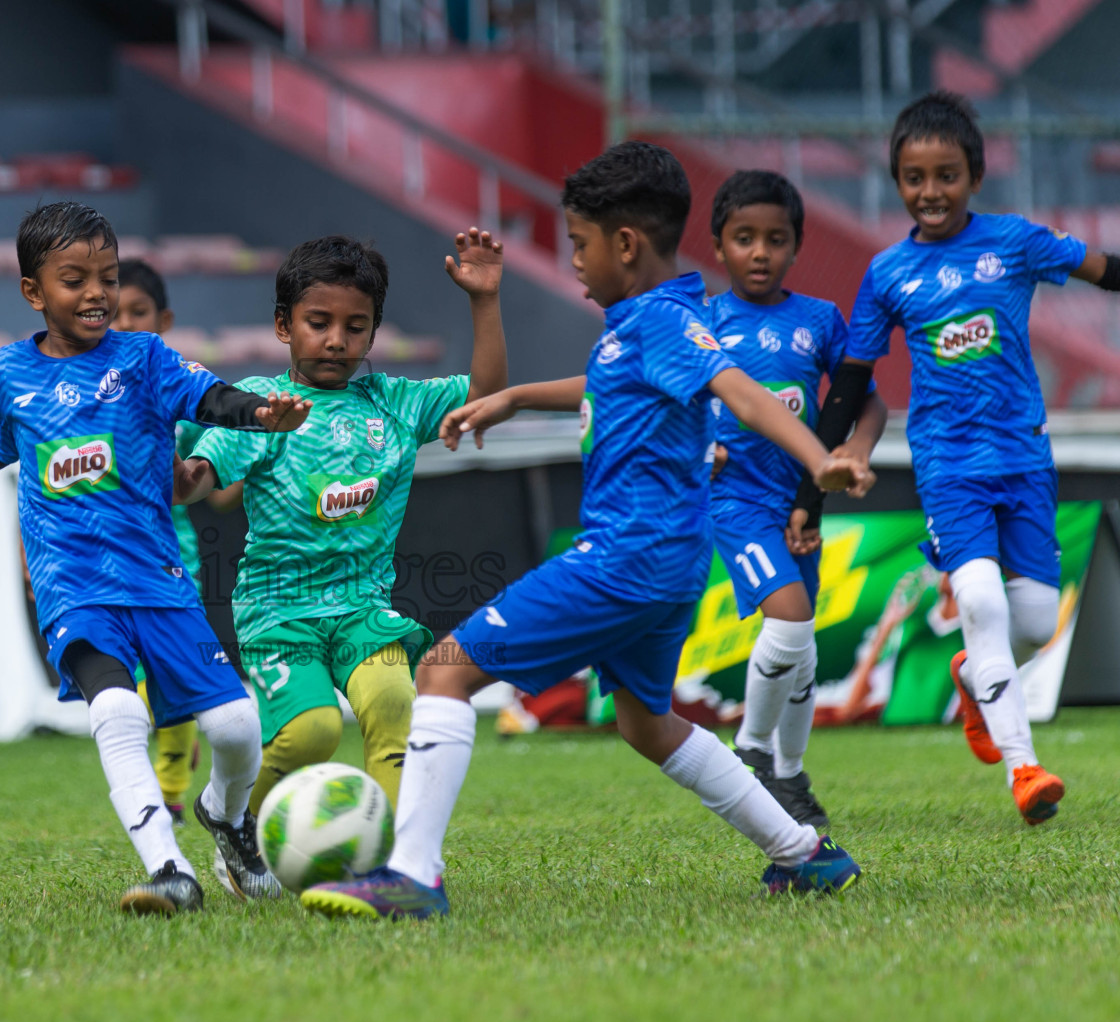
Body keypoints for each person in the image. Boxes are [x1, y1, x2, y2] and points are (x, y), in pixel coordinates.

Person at [300, 142, 868, 921]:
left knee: (442, 673)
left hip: (624, 559)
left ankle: (412, 874)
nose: (573, 260)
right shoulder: (647, 318)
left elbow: (741, 392)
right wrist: (513, 397)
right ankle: (805, 854)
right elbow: (608, 382)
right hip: (665, 564)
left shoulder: (666, 322)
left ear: (624, 245)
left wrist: (820, 458)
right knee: (645, 722)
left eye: (578, 243)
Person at [0, 201, 312, 915]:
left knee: (237, 727)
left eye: (107, 277)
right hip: (74, 587)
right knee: (118, 710)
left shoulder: (145, 358)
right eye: (74, 278)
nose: (96, 292)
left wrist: (259, 412)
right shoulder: (7, 372)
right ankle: (171, 871)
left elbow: (210, 396)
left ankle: (226, 818)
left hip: (158, 580)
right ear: (34, 292)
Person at [806, 91, 1120, 826]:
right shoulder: (887, 275)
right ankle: (1025, 771)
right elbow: (852, 380)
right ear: (897, 183)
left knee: (1037, 621)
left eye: (946, 175)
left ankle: (975, 677)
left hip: (1025, 462)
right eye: (914, 178)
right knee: (979, 601)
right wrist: (813, 477)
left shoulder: (1015, 241)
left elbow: (1105, 270)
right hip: (948, 468)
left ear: (974, 176)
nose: (930, 192)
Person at [175, 230, 506, 846]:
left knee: (392, 706)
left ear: (374, 334)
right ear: (283, 326)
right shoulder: (259, 410)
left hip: (363, 610)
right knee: (312, 733)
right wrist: (157, 460)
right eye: (318, 322)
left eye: (356, 327)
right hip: (278, 613)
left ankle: (395, 863)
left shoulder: (397, 405)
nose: (336, 340)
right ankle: (231, 814)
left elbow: (485, 394)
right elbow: (193, 483)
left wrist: (483, 300)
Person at [704, 169, 888, 828]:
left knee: (802, 648)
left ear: (795, 247)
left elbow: (865, 403)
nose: (760, 252)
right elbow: (667, 411)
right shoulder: (702, 324)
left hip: (801, 506)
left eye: (775, 239)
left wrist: (853, 454)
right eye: (744, 238)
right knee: (788, 620)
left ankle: (789, 772)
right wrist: (703, 450)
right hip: (736, 505)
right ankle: (752, 751)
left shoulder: (819, 321)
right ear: (718, 246)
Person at [111, 256, 241, 827]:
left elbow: (211, 492)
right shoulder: (78, 393)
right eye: (115, 315)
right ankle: (163, 766)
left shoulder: (179, 392)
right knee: (132, 680)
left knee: (171, 674)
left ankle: (167, 791)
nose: (125, 324)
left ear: (162, 319)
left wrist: (253, 458)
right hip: (104, 562)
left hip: (169, 559)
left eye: (138, 313)